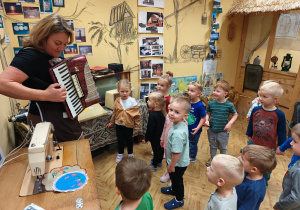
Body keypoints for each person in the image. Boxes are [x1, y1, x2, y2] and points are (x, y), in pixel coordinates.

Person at [0, 14, 82, 142]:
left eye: (65, 44)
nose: (61, 48)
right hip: (45, 118)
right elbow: (3, 84)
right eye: (57, 43)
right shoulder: (30, 55)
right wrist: (45, 95)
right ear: (43, 38)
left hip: (63, 118)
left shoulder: (49, 54)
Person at [246, 80, 286, 184]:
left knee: (266, 165)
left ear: (275, 99)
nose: (260, 99)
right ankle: (248, 175)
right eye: (260, 95)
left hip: (269, 147)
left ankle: (264, 181)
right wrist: (249, 134)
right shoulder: (255, 109)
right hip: (254, 142)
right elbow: (251, 123)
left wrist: (281, 146)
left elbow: (282, 131)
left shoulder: (280, 115)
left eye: (265, 97)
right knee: (250, 161)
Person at [160, 97, 190, 209]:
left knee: (177, 180)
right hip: (176, 162)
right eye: (170, 110)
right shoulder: (181, 122)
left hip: (177, 163)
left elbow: (177, 153)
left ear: (185, 116)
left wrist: (171, 165)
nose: (171, 114)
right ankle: (173, 190)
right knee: (174, 178)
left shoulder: (178, 133)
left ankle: (179, 199)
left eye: (177, 112)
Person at [204, 80, 238, 166]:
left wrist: (230, 123)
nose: (214, 92)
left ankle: (223, 162)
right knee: (213, 146)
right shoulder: (211, 103)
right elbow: (208, 113)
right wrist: (206, 120)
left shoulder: (229, 105)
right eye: (214, 90)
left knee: (223, 147)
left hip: (223, 131)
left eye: (218, 91)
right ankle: (213, 159)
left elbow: (235, 115)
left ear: (225, 93)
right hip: (212, 130)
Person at [106, 79, 141, 163]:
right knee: (120, 140)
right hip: (119, 125)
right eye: (122, 91)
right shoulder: (117, 101)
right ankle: (120, 153)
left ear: (130, 90)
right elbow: (114, 112)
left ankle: (130, 153)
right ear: (118, 91)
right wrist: (111, 122)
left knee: (129, 140)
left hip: (129, 125)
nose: (124, 93)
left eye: (126, 91)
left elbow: (136, 115)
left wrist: (137, 126)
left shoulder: (132, 101)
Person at [236, 145, 277, 210]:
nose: (238, 158)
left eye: (242, 158)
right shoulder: (247, 172)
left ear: (254, 169)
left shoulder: (255, 190)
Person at [160, 93, 187, 185]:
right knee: (168, 159)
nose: (171, 112)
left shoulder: (183, 123)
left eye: (176, 111)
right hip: (167, 143)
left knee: (173, 161)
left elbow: (182, 140)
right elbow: (165, 127)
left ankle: (173, 178)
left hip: (175, 146)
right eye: (170, 108)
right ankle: (169, 173)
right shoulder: (168, 116)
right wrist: (162, 138)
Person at [273, 123, 300, 210]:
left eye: (295, 141)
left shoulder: (298, 171)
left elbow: (296, 199)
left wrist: (280, 206)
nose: (291, 143)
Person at [142, 91, 166, 172]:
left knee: (156, 151)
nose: (147, 101)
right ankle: (159, 161)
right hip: (162, 137)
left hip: (155, 138)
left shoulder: (152, 115)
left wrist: (146, 138)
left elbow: (150, 129)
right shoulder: (162, 113)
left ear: (156, 104)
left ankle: (154, 165)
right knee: (161, 150)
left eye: (149, 100)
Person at [186, 81, 206, 163]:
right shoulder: (188, 102)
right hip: (186, 127)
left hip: (194, 130)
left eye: (192, 91)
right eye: (188, 90)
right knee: (187, 142)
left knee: (193, 144)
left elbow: (203, 118)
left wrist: (198, 128)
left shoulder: (200, 105)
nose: (189, 93)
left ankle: (192, 157)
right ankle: (187, 154)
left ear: (199, 93)